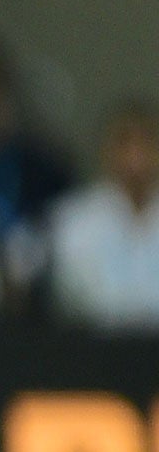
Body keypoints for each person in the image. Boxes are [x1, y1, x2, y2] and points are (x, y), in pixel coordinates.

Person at [48, 101, 159, 330]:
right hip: (98, 356)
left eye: (146, 141)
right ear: (106, 149)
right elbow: (80, 303)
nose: (135, 156)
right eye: (124, 141)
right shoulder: (73, 221)